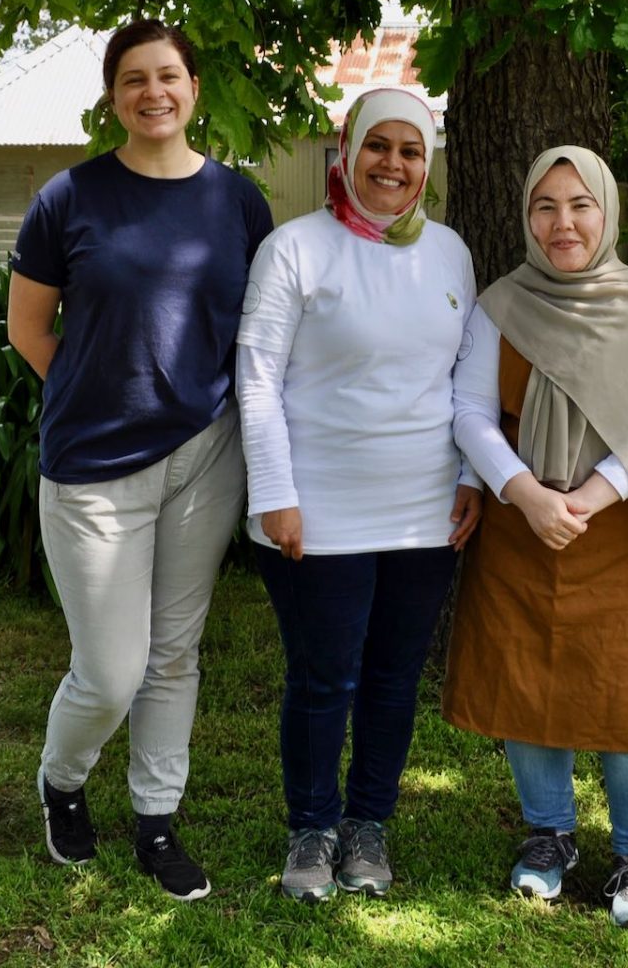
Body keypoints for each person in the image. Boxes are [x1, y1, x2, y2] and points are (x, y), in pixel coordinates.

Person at [7, 18, 273, 902]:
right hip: (93, 468)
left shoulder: (238, 202)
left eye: (168, 75)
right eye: (133, 79)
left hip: (206, 455)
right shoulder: (69, 198)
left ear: (195, 88)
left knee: (173, 655)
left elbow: (255, 336)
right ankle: (63, 781)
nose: (152, 92)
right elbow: (28, 329)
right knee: (112, 669)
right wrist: (99, 392)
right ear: (113, 97)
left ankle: (156, 820)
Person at [235, 86, 482, 903]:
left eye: (412, 152)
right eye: (380, 146)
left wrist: (474, 478)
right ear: (347, 152)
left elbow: (466, 381)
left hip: (424, 507)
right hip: (318, 505)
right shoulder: (296, 249)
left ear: (427, 166)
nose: (394, 165)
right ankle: (312, 828)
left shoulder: (449, 252)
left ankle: (368, 824)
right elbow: (258, 376)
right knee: (323, 677)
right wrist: (275, 490)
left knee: (392, 676)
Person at [441, 146, 628, 930]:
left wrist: (586, 495)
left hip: (619, 525)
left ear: (608, 211)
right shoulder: (501, 304)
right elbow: (471, 413)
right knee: (525, 680)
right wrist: (521, 492)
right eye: (545, 206)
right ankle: (549, 835)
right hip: (521, 524)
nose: (563, 222)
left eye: (580, 204)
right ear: (526, 216)